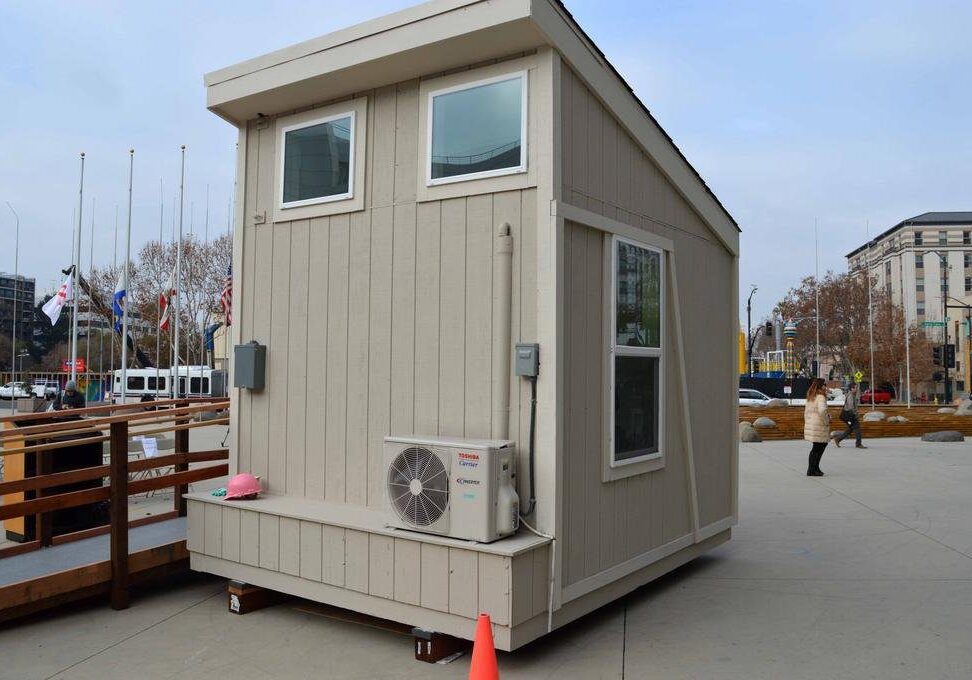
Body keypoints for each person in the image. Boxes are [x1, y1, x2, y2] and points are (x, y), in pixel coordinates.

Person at [803, 378, 830, 476]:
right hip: (819, 425)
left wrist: (808, 422)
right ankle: (813, 469)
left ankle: (813, 468)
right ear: (821, 386)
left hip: (813, 425)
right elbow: (822, 411)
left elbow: (806, 412)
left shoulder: (811, 396)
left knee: (816, 448)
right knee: (819, 447)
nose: (825, 387)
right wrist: (827, 420)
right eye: (824, 385)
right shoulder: (821, 397)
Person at [834, 383, 866, 449]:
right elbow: (851, 407)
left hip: (850, 415)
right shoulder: (851, 395)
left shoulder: (852, 394)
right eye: (855, 388)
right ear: (852, 388)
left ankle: (838, 439)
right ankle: (858, 444)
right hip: (851, 415)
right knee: (857, 429)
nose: (857, 389)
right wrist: (856, 414)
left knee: (850, 430)